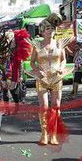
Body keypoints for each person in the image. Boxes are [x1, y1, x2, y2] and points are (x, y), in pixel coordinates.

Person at [30, 14, 71, 145]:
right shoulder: (37, 45)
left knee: (56, 106)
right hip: (42, 79)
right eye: (47, 28)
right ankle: (44, 133)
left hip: (57, 78)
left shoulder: (60, 43)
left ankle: (53, 134)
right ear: (42, 31)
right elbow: (32, 63)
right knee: (44, 106)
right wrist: (37, 70)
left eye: (52, 28)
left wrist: (61, 67)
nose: (50, 30)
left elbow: (64, 60)